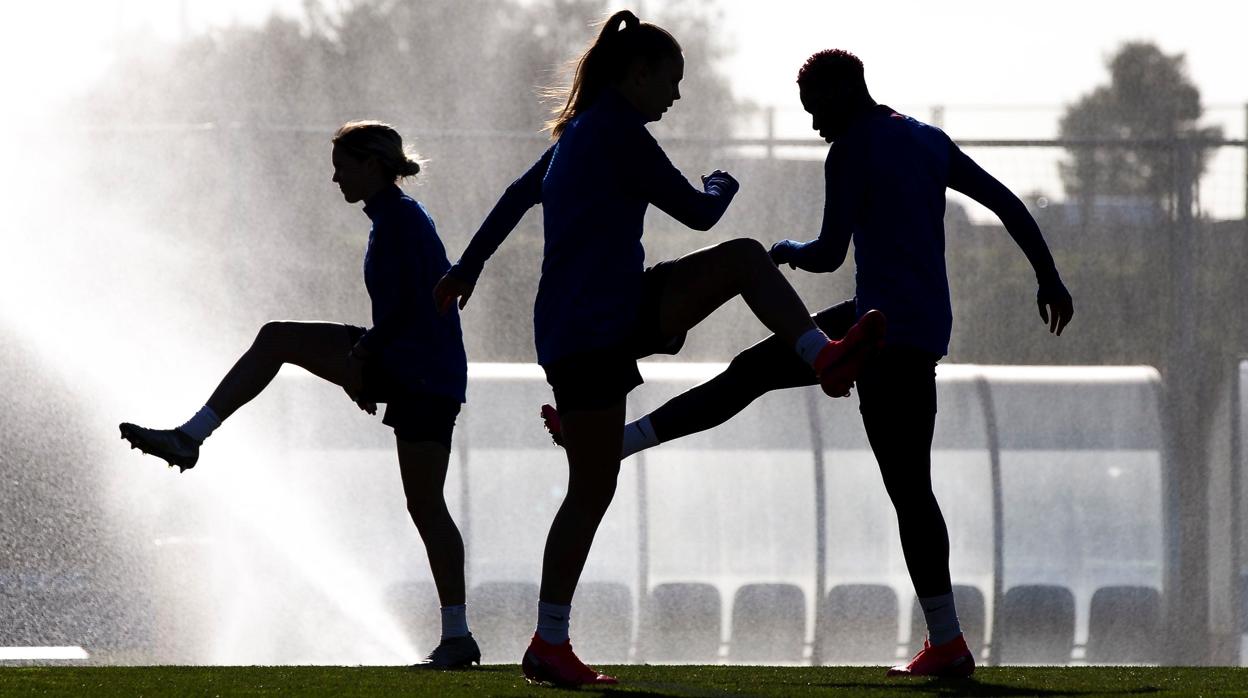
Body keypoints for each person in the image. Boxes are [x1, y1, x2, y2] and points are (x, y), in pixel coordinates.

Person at [542, 48, 1075, 677]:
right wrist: (1049, 277)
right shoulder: (927, 140)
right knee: (770, 381)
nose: (815, 125)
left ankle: (949, 642)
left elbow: (826, 252)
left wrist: (786, 251)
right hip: (914, 325)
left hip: (881, 334)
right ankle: (636, 437)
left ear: (845, 93)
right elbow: (1007, 203)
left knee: (896, 479)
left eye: (817, 110)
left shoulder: (850, 148)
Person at [433, 12, 882, 688]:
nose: (674, 97)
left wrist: (468, 266)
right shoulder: (617, 131)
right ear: (634, 74)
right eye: (669, 82)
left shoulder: (579, 132)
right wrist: (723, 182)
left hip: (587, 320)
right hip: (600, 322)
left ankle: (550, 642)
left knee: (592, 484)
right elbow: (700, 212)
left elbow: (514, 197)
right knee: (741, 259)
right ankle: (823, 355)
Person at [119, 121, 481, 669]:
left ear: (371, 165)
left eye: (342, 164)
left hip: (423, 375)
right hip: (413, 367)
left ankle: (457, 637)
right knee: (278, 340)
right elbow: (401, 312)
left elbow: (414, 308)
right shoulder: (393, 217)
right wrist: (365, 364)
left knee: (426, 505)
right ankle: (190, 437)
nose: (334, 176)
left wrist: (361, 362)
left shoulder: (401, 220)